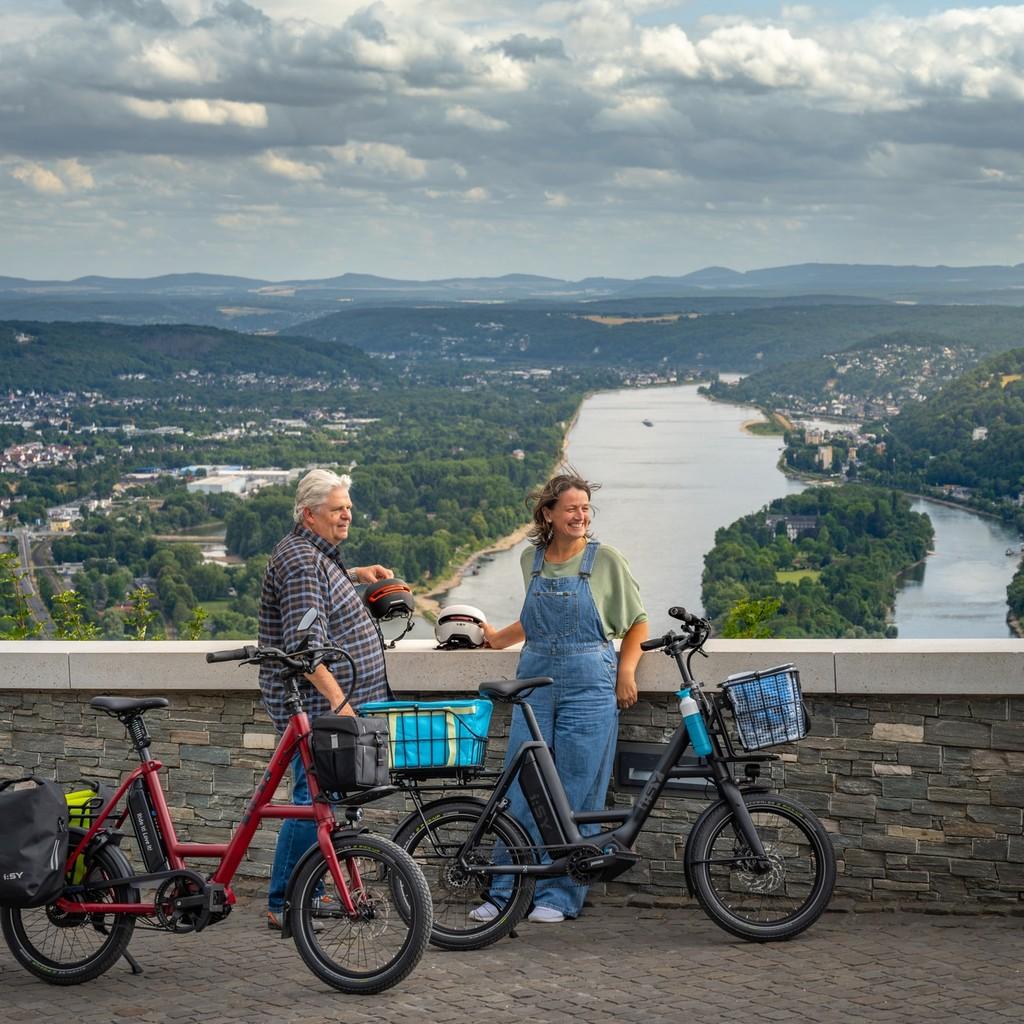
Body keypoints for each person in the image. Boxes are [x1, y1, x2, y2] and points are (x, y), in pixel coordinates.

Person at [476, 471, 648, 924]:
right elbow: (533, 619)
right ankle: (504, 889)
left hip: (590, 684)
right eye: (571, 508)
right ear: (548, 514)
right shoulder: (530, 560)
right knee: (519, 786)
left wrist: (626, 671)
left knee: (576, 788)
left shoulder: (605, 559)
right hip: (534, 682)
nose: (580, 515)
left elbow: (637, 623)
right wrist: (498, 640)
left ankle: (560, 895)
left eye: (585, 508)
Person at [258, 468, 393, 930]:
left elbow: (319, 592)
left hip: (327, 708)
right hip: (317, 710)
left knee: (324, 801)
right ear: (309, 514)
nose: (348, 516)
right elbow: (304, 645)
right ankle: (284, 902)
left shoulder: (314, 554)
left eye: (349, 508)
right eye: (338, 510)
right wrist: (340, 703)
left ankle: (304, 894)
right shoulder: (301, 562)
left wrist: (356, 574)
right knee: (308, 801)